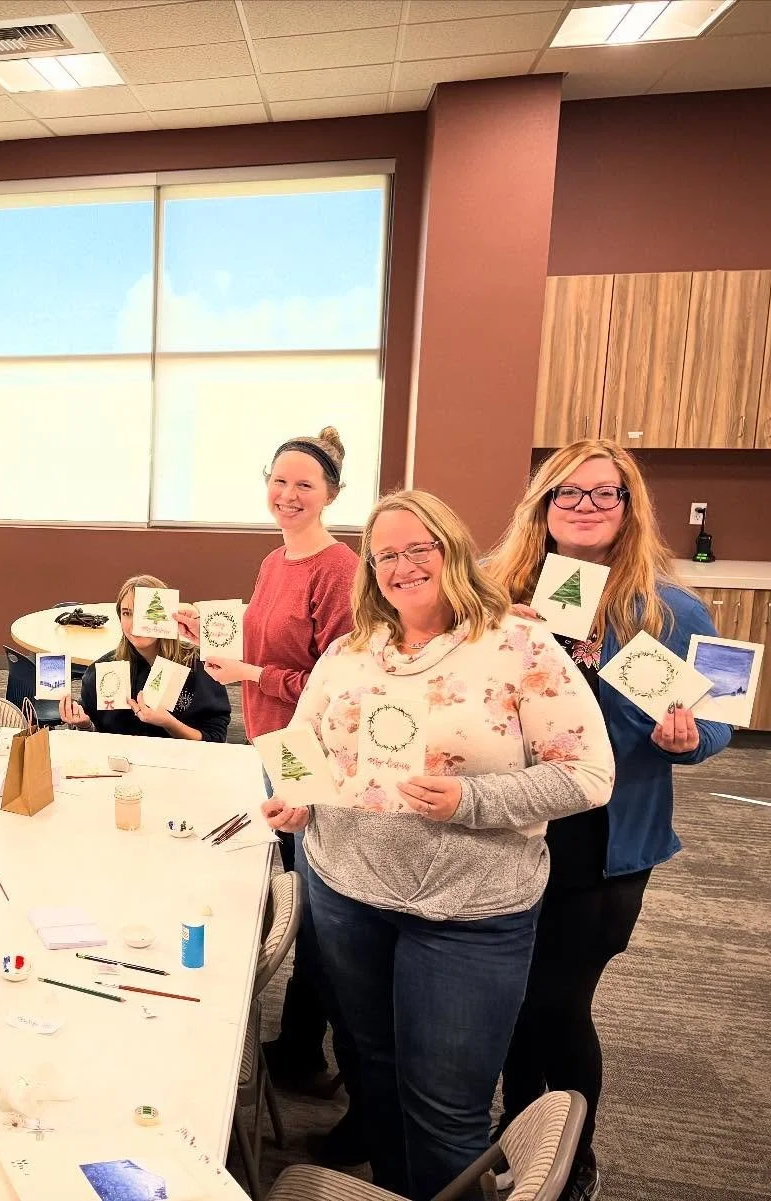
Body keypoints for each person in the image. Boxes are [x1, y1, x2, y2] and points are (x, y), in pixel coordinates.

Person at [264, 490, 615, 1201]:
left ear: (453, 550)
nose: (403, 564)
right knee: (373, 1070)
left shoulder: (519, 645)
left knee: (445, 1110)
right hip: (347, 894)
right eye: (386, 553)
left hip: (469, 912)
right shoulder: (349, 651)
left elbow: (589, 774)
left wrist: (472, 800)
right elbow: (302, 751)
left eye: (419, 546)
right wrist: (298, 799)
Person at [484, 439, 733, 1201]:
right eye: (569, 493)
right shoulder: (501, 593)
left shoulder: (671, 608)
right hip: (512, 824)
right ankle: (519, 1134)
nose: (586, 507)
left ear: (629, 508)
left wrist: (688, 737)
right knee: (509, 997)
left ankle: (571, 1156)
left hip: (604, 839)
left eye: (604, 494)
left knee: (560, 1002)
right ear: (543, 507)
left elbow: (719, 718)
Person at [177, 427, 361, 1141]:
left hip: (307, 747)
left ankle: (310, 1046)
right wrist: (210, 633)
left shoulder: (339, 569)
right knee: (288, 870)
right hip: (269, 737)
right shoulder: (274, 558)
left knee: (313, 884)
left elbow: (339, 681)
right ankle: (297, 1038)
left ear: (331, 494)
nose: (288, 495)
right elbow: (261, 642)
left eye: (304, 486)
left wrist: (254, 676)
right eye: (279, 482)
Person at [58, 575, 229, 742]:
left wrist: (169, 723)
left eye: (145, 613)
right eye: (127, 613)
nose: (134, 624)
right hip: (118, 767)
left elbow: (215, 738)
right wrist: (84, 724)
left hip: (184, 765)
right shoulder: (103, 669)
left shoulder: (199, 665)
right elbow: (98, 734)